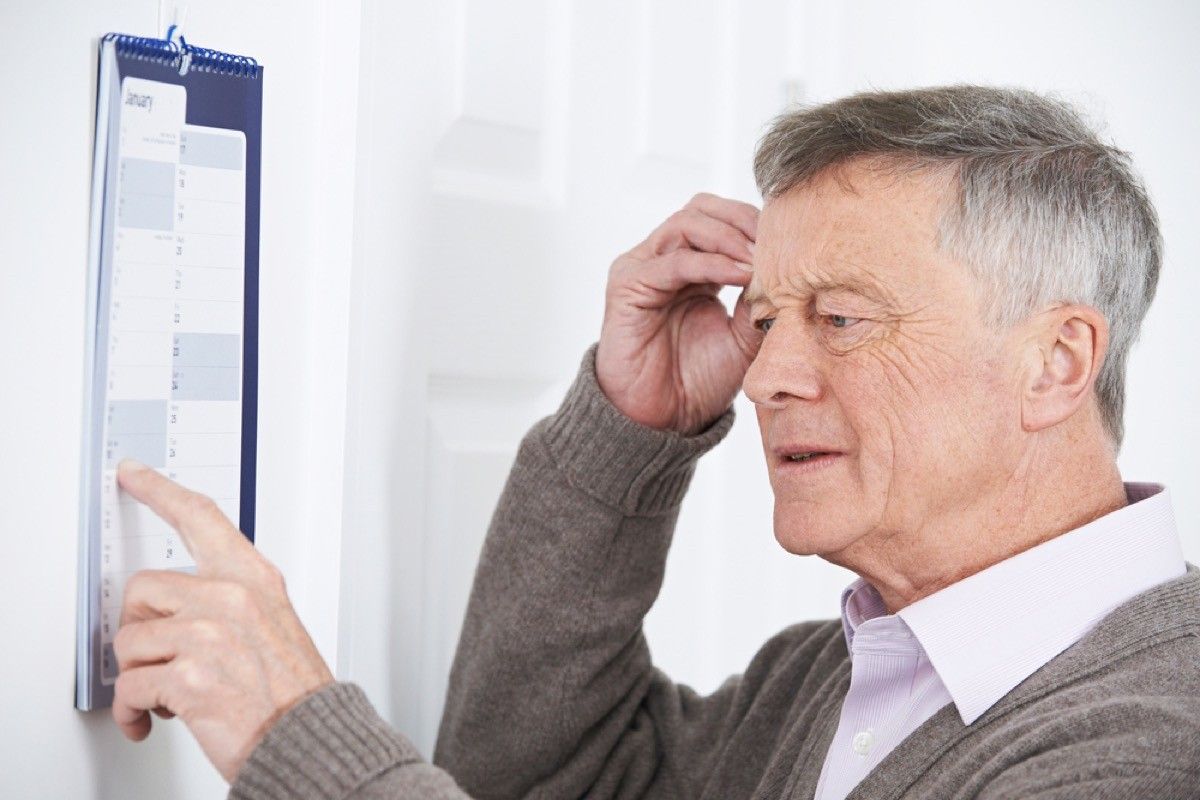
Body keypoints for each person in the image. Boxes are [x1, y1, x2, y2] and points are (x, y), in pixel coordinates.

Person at [110, 85, 1200, 799]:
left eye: (843, 317)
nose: (768, 372)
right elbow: (535, 777)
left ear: (1057, 361)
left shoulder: (1154, 742)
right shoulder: (830, 677)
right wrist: (630, 434)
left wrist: (302, 737)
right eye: (767, 316)